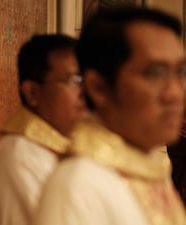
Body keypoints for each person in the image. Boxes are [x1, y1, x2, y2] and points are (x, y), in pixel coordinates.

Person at [34, 6, 186, 225]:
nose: (174, 92)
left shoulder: (150, 166)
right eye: (155, 73)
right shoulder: (80, 185)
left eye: (180, 72)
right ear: (98, 87)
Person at [0, 34, 89, 225]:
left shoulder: (48, 149)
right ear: (32, 93)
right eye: (73, 80)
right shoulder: (21, 157)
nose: (84, 93)